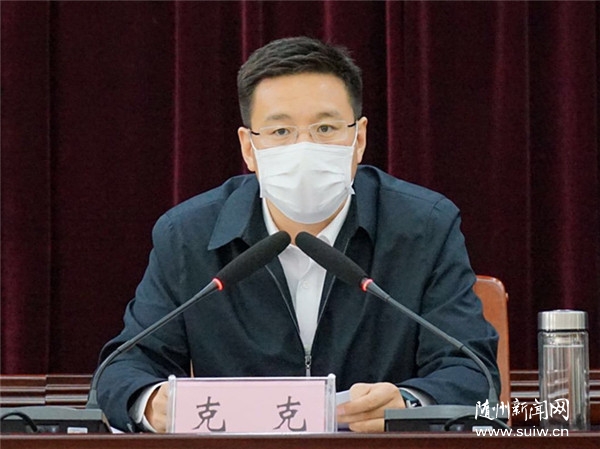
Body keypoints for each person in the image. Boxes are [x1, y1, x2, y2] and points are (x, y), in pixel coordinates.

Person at [96, 36, 500, 433]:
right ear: (249, 148)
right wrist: (151, 402)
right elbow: (123, 370)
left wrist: (409, 405)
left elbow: (471, 371)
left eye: (325, 128)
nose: (304, 148)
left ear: (358, 139)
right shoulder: (188, 235)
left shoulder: (424, 227)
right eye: (280, 132)